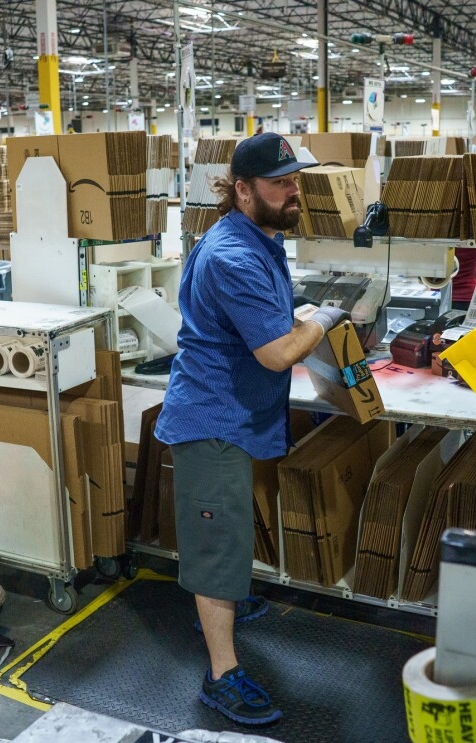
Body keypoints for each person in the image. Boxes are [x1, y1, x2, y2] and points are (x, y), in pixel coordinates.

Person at [154, 132, 346, 726]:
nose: (294, 193)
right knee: (217, 548)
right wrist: (323, 320)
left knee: (231, 534)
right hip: (214, 421)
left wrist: (299, 319)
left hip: (237, 414)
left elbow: (261, 323)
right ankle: (221, 675)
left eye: (295, 181)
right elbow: (276, 354)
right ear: (242, 191)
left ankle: (227, 600)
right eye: (280, 184)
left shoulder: (256, 235)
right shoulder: (233, 255)